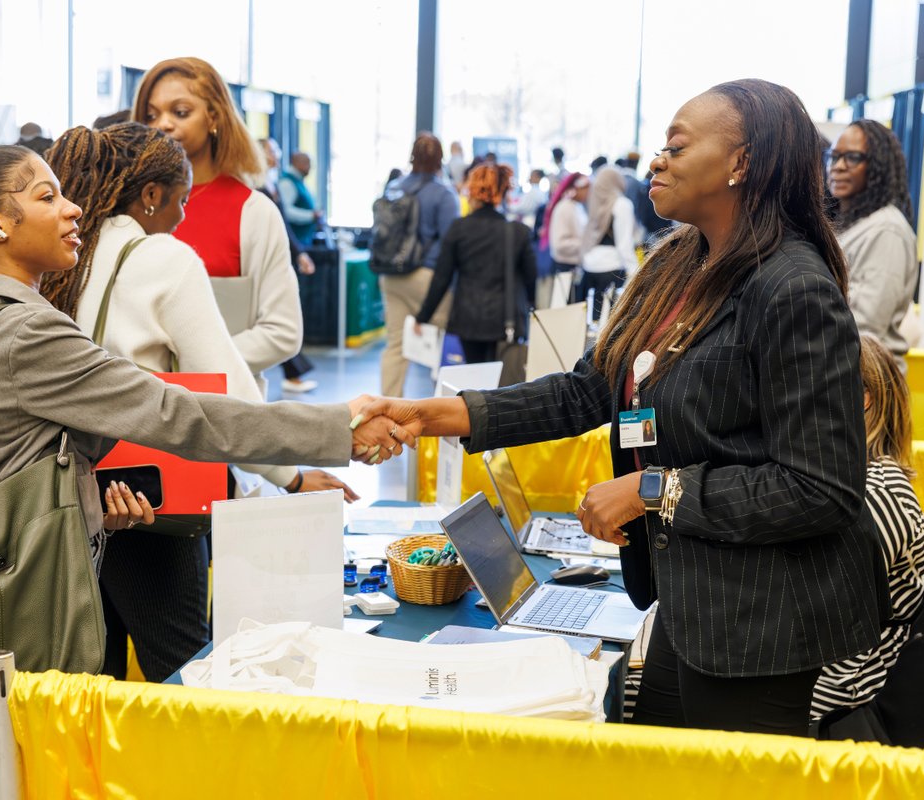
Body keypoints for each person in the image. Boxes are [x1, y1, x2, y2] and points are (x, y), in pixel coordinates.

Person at [0, 145, 409, 799]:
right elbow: (177, 414)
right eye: (44, 196)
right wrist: (338, 424)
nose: (71, 207)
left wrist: (85, 496)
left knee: (3, 766)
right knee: (37, 768)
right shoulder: (26, 333)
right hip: (37, 599)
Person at [356, 79, 887, 737]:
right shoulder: (680, 266)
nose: (655, 161)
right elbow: (589, 389)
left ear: (741, 163)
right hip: (687, 599)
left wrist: (649, 488)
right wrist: (437, 413)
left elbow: (820, 488)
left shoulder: (794, 289)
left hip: (759, 622)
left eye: (676, 146)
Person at [41, 123, 355, 679]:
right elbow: (227, 395)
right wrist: (293, 476)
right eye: (182, 200)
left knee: (96, 679)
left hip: (68, 498)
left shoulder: (62, 254)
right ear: (152, 195)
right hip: (151, 502)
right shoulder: (163, 257)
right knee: (183, 668)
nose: (185, 217)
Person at [132, 57, 301, 392]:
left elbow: (283, 331)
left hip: (224, 415)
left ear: (213, 117)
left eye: (180, 112)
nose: (163, 124)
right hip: (135, 413)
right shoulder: (128, 209)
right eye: (151, 115)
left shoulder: (253, 212)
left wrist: (185, 369)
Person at [811, 334, 924, 723]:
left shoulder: (880, 495)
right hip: (816, 686)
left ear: (862, 398)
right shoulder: (852, 483)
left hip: (833, 702)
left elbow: (809, 610)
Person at [414, 163, 535, 367]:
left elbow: (442, 278)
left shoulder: (458, 228)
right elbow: (531, 278)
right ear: (502, 192)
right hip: (506, 320)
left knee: (475, 377)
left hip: (468, 318)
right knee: (504, 384)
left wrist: (423, 316)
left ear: (472, 191)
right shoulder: (518, 232)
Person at [828, 119, 918, 364]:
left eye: (853, 158)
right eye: (834, 157)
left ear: (878, 167)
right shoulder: (853, 224)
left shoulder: (886, 230)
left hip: (870, 382)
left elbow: (867, 324)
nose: (838, 166)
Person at [378, 132, 460, 396]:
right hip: (425, 275)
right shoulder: (444, 194)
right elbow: (451, 242)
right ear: (440, 160)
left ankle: (387, 418)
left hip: (390, 274)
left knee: (395, 346)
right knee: (442, 342)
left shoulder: (394, 187)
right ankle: (440, 416)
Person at [258, 137, 318, 393]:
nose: (277, 154)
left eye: (277, 149)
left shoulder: (271, 183)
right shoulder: (254, 184)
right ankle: (292, 371)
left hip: (277, 255)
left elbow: (283, 223)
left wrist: (299, 253)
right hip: (260, 259)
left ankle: (293, 372)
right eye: (272, 150)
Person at [578, 166, 636, 319]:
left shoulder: (595, 202)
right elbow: (624, 244)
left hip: (589, 267)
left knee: (592, 322)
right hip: (611, 269)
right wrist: (635, 272)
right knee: (608, 324)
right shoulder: (622, 204)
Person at [539, 171, 589, 309]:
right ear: (576, 188)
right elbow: (559, 244)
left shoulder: (576, 207)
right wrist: (586, 244)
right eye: (585, 188)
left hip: (575, 267)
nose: (588, 192)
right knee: (565, 313)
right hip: (566, 269)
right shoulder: (564, 208)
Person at [278, 151, 321, 247]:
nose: (310, 167)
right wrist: (311, 216)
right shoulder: (287, 182)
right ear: (297, 163)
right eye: (307, 163)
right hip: (294, 242)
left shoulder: (298, 180)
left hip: (303, 240)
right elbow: (286, 211)